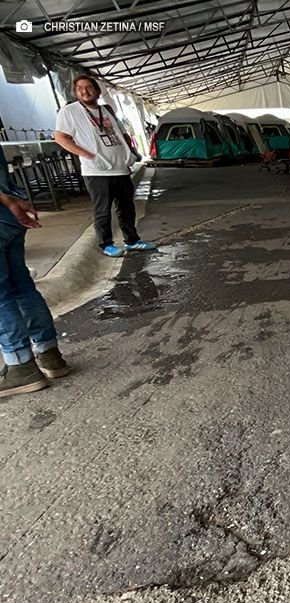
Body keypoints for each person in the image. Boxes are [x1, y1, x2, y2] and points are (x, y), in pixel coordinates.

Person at [54, 74, 155, 258]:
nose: (84, 91)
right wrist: (87, 155)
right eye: (79, 88)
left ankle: (132, 241)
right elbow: (60, 138)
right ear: (75, 92)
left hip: (120, 167)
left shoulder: (106, 109)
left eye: (89, 87)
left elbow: (122, 134)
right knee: (102, 209)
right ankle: (106, 244)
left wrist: (130, 152)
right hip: (97, 171)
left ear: (97, 90)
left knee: (127, 208)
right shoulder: (70, 111)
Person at [0, 148, 70, 398]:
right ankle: (49, 354)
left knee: (2, 295)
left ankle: (20, 366)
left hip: (6, 206)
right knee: (22, 287)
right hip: (9, 216)